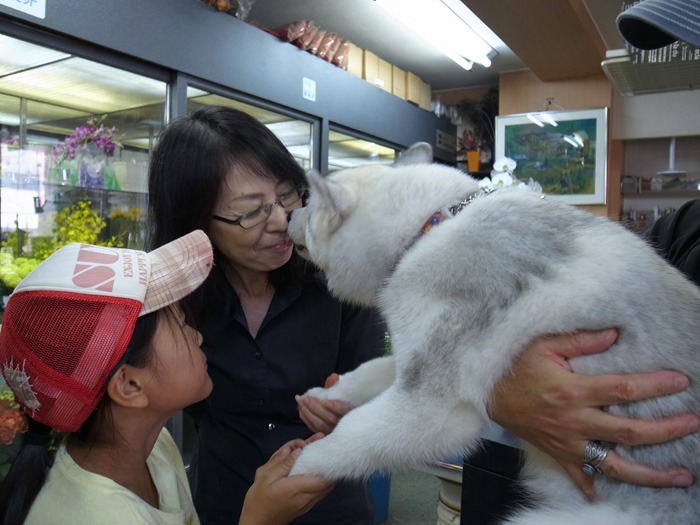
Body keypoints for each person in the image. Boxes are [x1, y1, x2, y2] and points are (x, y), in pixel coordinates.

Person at [147, 106, 387, 525]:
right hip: (227, 498)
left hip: (330, 501)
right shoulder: (181, 298)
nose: (281, 221)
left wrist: (354, 406)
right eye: (251, 210)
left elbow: (382, 390)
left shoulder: (342, 278)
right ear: (197, 221)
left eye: (287, 194)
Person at [0, 231, 333, 525]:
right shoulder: (96, 516)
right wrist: (260, 518)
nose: (199, 336)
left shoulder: (152, 446)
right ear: (130, 386)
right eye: (181, 324)